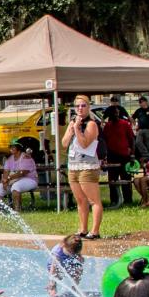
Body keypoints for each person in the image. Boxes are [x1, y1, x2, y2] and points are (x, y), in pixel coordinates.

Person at [62, 96, 105, 239]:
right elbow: (64, 143)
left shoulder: (91, 124)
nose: (80, 108)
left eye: (83, 105)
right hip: (73, 165)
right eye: (77, 106)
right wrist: (71, 129)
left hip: (87, 166)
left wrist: (77, 129)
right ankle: (82, 229)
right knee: (80, 200)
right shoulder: (72, 123)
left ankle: (95, 231)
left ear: (88, 107)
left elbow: (85, 143)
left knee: (93, 200)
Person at [102, 105, 137, 209]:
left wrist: (132, 155)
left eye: (117, 113)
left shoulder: (125, 124)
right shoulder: (107, 126)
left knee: (126, 179)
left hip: (124, 156)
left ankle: (128, 201)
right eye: (114, 113)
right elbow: (104, 141)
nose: (116, 115)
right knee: (112, 180)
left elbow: (131, 140)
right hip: (112, 155)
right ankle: (114, 200)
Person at [47, 233, 85, 297]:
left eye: (74, 253)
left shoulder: (73, 247)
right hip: (53, 265)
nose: (72, 255)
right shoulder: (58, 252)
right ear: (64, 245)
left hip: (66, 263)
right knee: (57, 277)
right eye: (70, 252)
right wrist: (52, 283)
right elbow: (53, 269)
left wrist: (80, 257)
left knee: (79, 269)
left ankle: (74, 288)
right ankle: (51, 288)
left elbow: (79, 256)